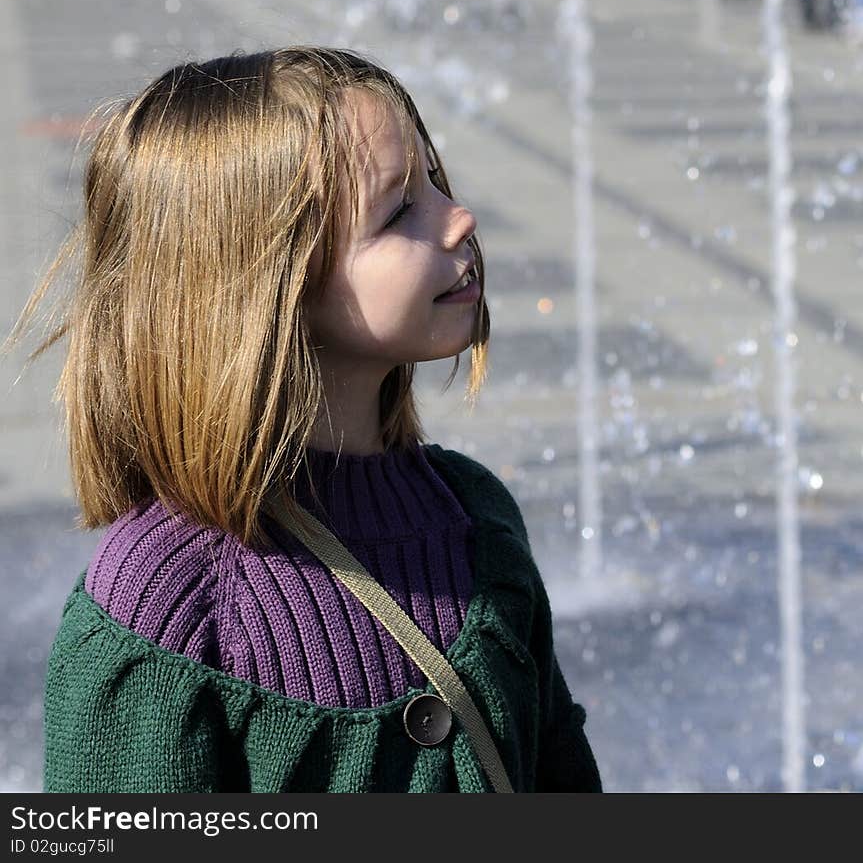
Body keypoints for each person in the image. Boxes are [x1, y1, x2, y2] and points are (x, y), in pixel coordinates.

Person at [9, 46, 602, 794]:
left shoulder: (477, 519)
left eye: (436, 181)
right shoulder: (165, 603)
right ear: (262, 286)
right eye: (399, 211)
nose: (460, 218)